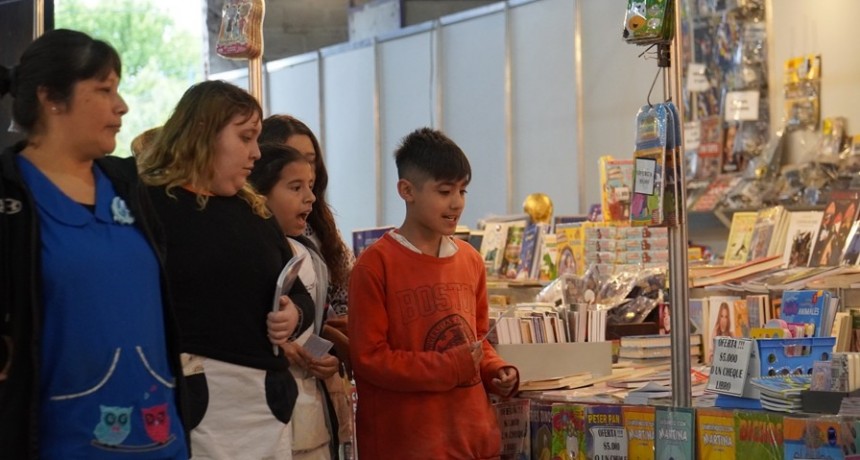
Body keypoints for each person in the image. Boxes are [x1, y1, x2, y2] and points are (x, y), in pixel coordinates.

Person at [0, 29, 188, 458]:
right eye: (104, 90)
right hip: (58, 443)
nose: (121, 106)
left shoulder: (127, 187)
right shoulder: (10, 197)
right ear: (52, 99)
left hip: (162, 440)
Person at [139, 80, 315, 459]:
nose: (255, 153)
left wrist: (294, 314)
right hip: (193, 401)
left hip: (267, 403)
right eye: (245, 137)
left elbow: (298, 291)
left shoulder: (256, 211)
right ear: (203, 132)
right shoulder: (149, 206)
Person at [348, 127, 519, 459]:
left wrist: (496, 370)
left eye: (462, 190)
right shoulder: (376, 265)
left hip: (473, 440)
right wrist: (449, 366)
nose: (456, 203)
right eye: (444, 191)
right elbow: (369, 360)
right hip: (407, 444)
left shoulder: (470, 260)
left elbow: (478, 340)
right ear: (406, 190)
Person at [249, 143, 342, 459]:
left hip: (308, 412)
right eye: (295, 187)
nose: (310, 197)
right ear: (258, 193)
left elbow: (312, 331)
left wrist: (324, 356)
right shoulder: (250, 253)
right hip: (261, 412)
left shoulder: (307, 253)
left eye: (311, 187)